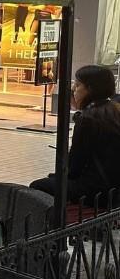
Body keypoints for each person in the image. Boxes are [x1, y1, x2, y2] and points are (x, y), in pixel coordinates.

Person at [31, 66, 120, 204]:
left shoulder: (88, 118)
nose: (73, 90)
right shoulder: (113, 109)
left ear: (90, 89)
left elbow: (74, 166)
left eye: (78, 85)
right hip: (115, 188)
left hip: (98, 191)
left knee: (37, 186)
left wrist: (56, 177)